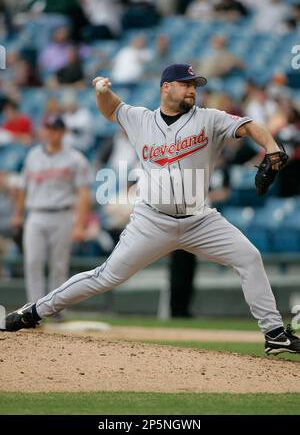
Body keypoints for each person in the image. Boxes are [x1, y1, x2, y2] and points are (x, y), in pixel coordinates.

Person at [2, 63, 300, 356]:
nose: (192, 90)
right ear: (166, 87)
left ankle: (274, 334)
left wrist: (273, 148)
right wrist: (101, 90)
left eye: (195, 86)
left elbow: (250, 126)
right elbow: (110, 109)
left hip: (200, 219)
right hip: (152, 221)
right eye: (186, 84)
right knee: (105, 277)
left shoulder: (210, 118)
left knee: (249, 257)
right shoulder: (140, 119)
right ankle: (35, 311)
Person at [10, 116, 90, 305]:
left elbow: (83, 193)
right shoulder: (33, 155)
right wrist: (18, 214)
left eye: (54, 129)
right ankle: (33, 309)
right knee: (33, 262)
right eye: (47, 128)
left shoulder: (75, 158)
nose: (50, 132)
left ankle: (55, 309)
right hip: (36, 214)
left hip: (62, 214)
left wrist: (79, 225)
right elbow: (23, 187)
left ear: (62, 132)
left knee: (59, 265)